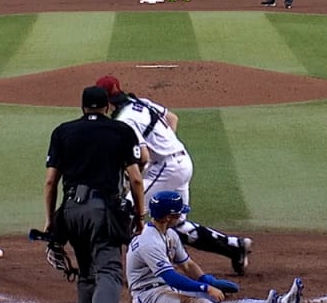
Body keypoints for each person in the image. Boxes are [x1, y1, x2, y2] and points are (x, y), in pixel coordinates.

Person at [95, 74, 253, 276]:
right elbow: (172, 119)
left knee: (126, 209)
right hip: (182, 160)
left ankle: (132, 268)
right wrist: (166, 145)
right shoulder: (140, 103)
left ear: (106, 102)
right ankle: (234, 247)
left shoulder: (124, 120)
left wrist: (136, 177)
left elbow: (143, 156)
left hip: (166, 167)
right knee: (176, 224)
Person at [43, 86, 147, 303]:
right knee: (110, 272)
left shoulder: (62, 131)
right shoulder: (121, 132)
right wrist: (140, 216)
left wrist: (52, 221)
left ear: (82, 107)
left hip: (71, 212)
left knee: (87, 274)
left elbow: (51, 182)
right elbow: (136, 180)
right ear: (107, 107)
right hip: (102, 211)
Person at [127, 190, 304, 303]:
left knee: (218, 300)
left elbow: (187, 265)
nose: (181, 216)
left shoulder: (170, 234)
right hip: (147, 297)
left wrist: (208, 281)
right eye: (178, 214)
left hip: (165, 289)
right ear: (167, 217)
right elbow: (171, 277)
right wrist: (205, 288)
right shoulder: (149, 242)